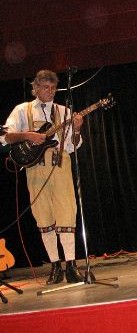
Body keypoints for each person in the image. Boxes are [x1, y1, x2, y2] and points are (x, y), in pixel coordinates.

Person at [0, 69, 84, 284]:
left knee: (67, 213)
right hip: (35, 168)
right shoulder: (22, 110)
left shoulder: (64, 111)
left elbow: (73, 146)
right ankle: (55, 266)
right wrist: (27, 135)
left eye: (53, 87)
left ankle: (72, 265)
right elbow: (4, 137)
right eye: (45, 87)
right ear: (35, 88)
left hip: (61, 165)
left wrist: (76, 130)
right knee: (43, 216)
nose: (50, 91)